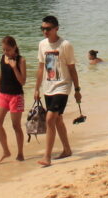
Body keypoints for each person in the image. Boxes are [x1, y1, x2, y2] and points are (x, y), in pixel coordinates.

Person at [34, 15, 81, 167]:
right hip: (48, 88)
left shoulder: (65, 45)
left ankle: (47, 157)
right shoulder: (42, 44)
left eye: (47, 29)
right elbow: (41, 67)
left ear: (56, 28)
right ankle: (67, 149)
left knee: (50, 119)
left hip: (63, 86)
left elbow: (72, 68)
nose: (44, 31)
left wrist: (77, 89)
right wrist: (36, 88)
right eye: (42, 29)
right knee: (58, 119)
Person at [0, 35, 26, 164]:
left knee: (16, 126)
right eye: (4, 50)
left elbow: (22, 81)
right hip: (3, 95)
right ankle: (6, 151)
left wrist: (14, 67)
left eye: (8, 50)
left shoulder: (21, 60)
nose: (5, 52)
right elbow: (0, 78)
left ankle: (20, 153)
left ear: (14, 47)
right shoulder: (3, 58)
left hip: (16, 96)